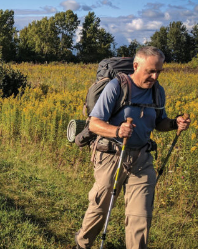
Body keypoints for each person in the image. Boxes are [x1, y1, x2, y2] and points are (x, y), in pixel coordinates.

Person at [74, 46, 191, 249]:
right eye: (150, 71)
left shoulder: (157, 92)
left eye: (159, 71)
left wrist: (174, 123)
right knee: (100, 207)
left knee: (141, 216)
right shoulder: (116, 87)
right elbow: (94, 124)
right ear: (136, 66)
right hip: (112, 155)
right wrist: (118, 131)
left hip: (142, 159)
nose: (155, 76)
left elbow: (159, 123)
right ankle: (82, 244)